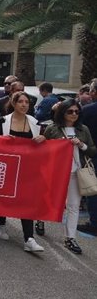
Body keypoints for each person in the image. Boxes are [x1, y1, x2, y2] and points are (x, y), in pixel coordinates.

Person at [0, 91, 46, 252]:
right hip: (6, 166)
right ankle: (1, 224)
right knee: (4, 196)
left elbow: (44, 147)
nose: (24, 104)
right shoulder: (2, 122)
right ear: (13, 103)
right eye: (20, 101)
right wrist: (2, 141)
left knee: (27, 200)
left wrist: (43, 139)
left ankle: (29, 238)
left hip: (27, 169)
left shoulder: (36, 123)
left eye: (26, 102)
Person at [44, 99, 96, 254]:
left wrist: (82, 145)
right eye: (70, 111)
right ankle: (40, 220)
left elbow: (92, 150)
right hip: (56, 172)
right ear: (63, 112)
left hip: (76, 172)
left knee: (73, 206)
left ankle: (70, 238)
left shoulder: (83, 129)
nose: (74, 114)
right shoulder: (53, 129)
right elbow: (44, 150)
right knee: (50, 200)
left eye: (76, 111)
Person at [78, 81, 97, 235]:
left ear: (94, 92)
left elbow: (77, 128)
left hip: (91, 154)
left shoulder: (88, 110)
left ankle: (94, 223)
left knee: (92, 189)